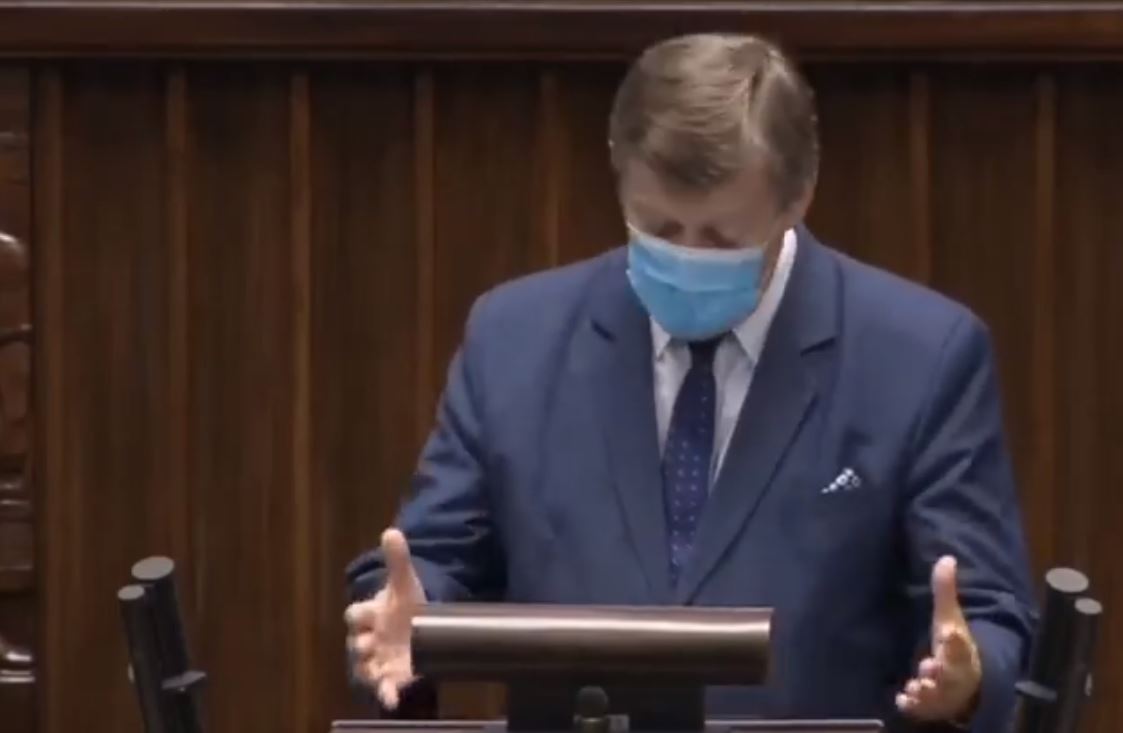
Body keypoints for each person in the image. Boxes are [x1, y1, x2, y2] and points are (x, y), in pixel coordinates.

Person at [345, 33, 1036, 732]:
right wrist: (409, 615)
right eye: (659, 227)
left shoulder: (920, 357)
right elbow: (430, 560)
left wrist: (967, 678)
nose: (686, 255)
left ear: (798, 197)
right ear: (619, 174)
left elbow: (986, 617)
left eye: (721, 238)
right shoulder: (514, 339)